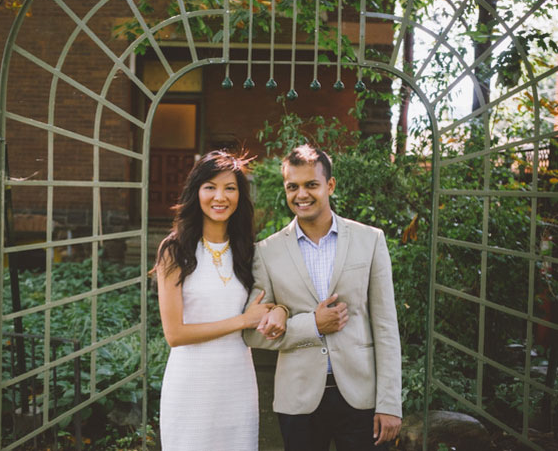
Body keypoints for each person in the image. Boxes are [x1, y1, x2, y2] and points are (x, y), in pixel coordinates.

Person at [243, 144, 402, 451]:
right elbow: (252, 332)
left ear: (330, 185)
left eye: (311, 185)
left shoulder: (370, 241)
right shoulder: (267, 252)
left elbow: (385, 327)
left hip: (362, 397)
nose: (301, 194)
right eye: (293, 187)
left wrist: (389, 402)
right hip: (298, 399)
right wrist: (312, 325)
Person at [155, 150, 278, 451]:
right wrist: (242, 321)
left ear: (240, 196)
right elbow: (175, 334)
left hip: (236, 382)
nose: (219, 197)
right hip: (190, 383)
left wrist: (278, 311)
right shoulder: (174, 251)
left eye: (230, 188)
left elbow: (270, 302)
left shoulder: (248, 250)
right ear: (196, 191)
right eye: (210, 186)